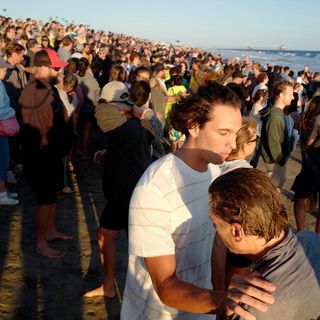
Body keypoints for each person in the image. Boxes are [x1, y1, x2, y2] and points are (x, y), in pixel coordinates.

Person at [121, 83, 276, 320]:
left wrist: (219, 297)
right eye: (223, 133)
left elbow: (214, 246)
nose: (233, 145)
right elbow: (164, 286)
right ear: (193, 126)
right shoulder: (155, 188)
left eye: (235, 134)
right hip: (157, 313)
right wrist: (223, 302)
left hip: (203, 308)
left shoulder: (214, 174)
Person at [208, 167, 320, 320]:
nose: (216, 230)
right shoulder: (312, 239)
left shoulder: (253, 304)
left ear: (236, 232)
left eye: (216, 225)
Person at [84, 81, 154, 298]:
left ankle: (127, 291)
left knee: (139, 249)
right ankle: (109, 286)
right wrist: (109, 150)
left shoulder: (126, 124)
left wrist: (129, 108)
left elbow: (100, 111)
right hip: (124, 194)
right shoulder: (133, 124)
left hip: (128, 194)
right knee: (106, 237)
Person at [18, 48, 73, 258]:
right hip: (41, 156)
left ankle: (50, 231)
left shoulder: (46, 87)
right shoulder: (34, 92)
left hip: (52, 154)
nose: (59, 70)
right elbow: (37, 129)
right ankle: (41, 243)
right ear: (44, 66)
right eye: (55, 67)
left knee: (55, 193)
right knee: (45, 199)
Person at [291, 95, 320, 233]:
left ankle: (301, 231)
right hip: (314, 163)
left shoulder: (307, 119)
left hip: (310, 164)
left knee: (299, 197)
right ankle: (317, 235)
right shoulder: (315, 119)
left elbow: (308, 143)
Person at [260, 81, 294, 189]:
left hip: (276, 161)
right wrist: (281, 161)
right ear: (281, 95)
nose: (293, 97)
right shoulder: (274, 116)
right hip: (275, 161)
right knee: (273, 191)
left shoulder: (278, 113)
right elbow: (273, 141)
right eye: (290, 94)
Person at [0, 56, 19, 205]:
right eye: (2, 67)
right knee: (2, 159)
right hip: (1, 125)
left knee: (4, 159)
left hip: (3, 126)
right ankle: (1, 193)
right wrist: (11, 113)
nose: (5, 70)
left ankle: (3, 190)